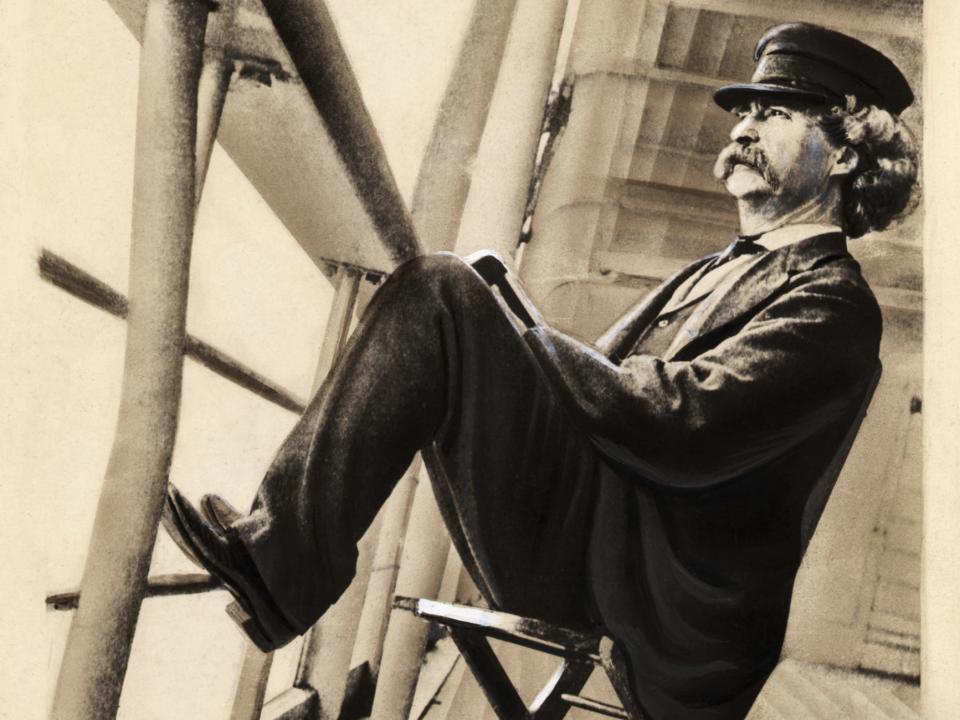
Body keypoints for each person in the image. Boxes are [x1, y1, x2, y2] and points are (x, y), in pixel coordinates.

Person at [162, 22, 919, 720]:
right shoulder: (716, 269)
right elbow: (609, 393)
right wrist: (513, 333)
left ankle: (276, 569)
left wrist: (522, 333)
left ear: (847, 151)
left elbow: (685, 420)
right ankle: (280, 569)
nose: (743, 128)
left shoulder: (836, 305)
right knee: (448, 294)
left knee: (442, 290)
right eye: (742, 114)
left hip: (657, 597)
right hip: (600, 536)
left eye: (778, 114)